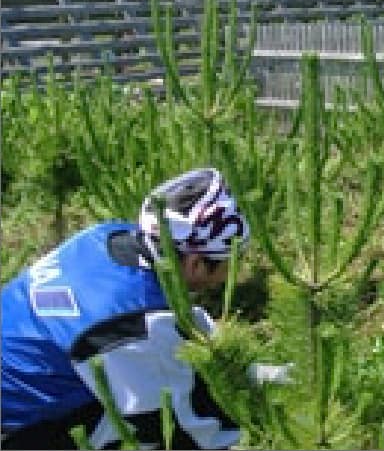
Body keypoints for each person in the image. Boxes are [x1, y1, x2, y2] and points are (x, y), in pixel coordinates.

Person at [1, 168, 251, 449]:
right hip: (17, 425)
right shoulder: (131, 324)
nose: (238, 269)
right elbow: (175, 428)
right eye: (235, 259)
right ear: (195, 263)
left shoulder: (108, 234)